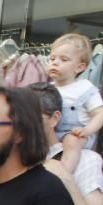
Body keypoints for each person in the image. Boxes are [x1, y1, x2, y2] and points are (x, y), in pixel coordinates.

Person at [29, 82, 103, 205]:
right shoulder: (13, 160)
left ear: (54, 118)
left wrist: (62, 173)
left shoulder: (85, 160)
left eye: (32, 116)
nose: (23, 123)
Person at [48, 33, 103, 175]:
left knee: (71, 141)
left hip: (77, 134)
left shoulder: (84, 88)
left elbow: (100, 113)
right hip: (52, 133)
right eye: (52, 58)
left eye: (63, 59)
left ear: (79, 67)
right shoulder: (48, 88)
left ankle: (63, 173)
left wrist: (87, 130)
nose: (55, 62)